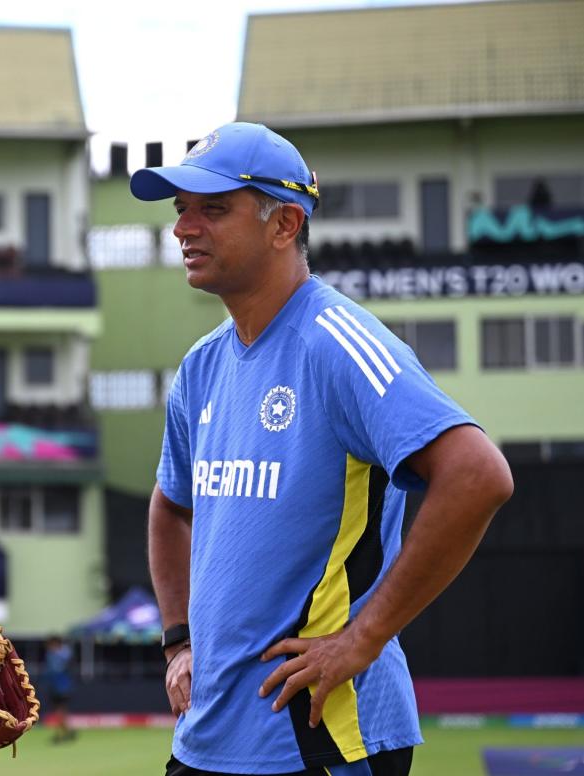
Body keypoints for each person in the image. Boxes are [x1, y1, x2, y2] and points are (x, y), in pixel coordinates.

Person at [131, 122, 513, 776]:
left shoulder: (337, 343)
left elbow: (477, 475)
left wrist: (361, 639)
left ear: (283, 225)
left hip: (321, 735)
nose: (183, 228)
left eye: (212, 209)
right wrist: (177, 645)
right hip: (206, 741)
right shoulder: (199, 368)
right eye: (180, 210)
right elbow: (170, 507)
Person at [42, 635, 77, 744]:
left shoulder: (62, 654)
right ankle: (67, 731)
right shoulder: (52, 654)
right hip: (55, 686)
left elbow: (58, 668)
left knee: (60, 711)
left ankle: (61, 734)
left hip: (62, 687)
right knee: (60, 711)